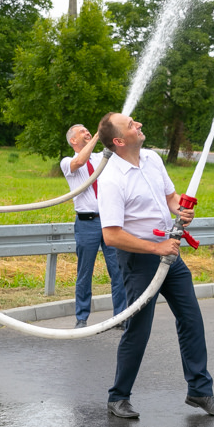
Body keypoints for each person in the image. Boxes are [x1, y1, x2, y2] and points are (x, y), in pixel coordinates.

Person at [96, 112, 214, 419]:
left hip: (169, 254)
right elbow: (112, 235)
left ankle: (199, 390)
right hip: (139, 258)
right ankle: (118, 397)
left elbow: (169, 197)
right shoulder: (112, 179)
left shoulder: (153, 160)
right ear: (119, 141)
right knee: (138, 329)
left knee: (191, 319)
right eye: (131, 125)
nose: (139, 124)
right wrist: (155, 247)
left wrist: (181, 208)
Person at [60, 124, 127, 329]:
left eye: (89, 130)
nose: (87, 132)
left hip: (109, 221)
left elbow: (119, 155)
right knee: (85, 272)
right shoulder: (67, 161)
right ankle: (82, 318)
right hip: (86, 223)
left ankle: (120, 317)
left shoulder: (101, 158)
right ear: (73, 140)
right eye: (83, 131)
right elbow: (79, 161)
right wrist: (98, 135)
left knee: (117, 270)